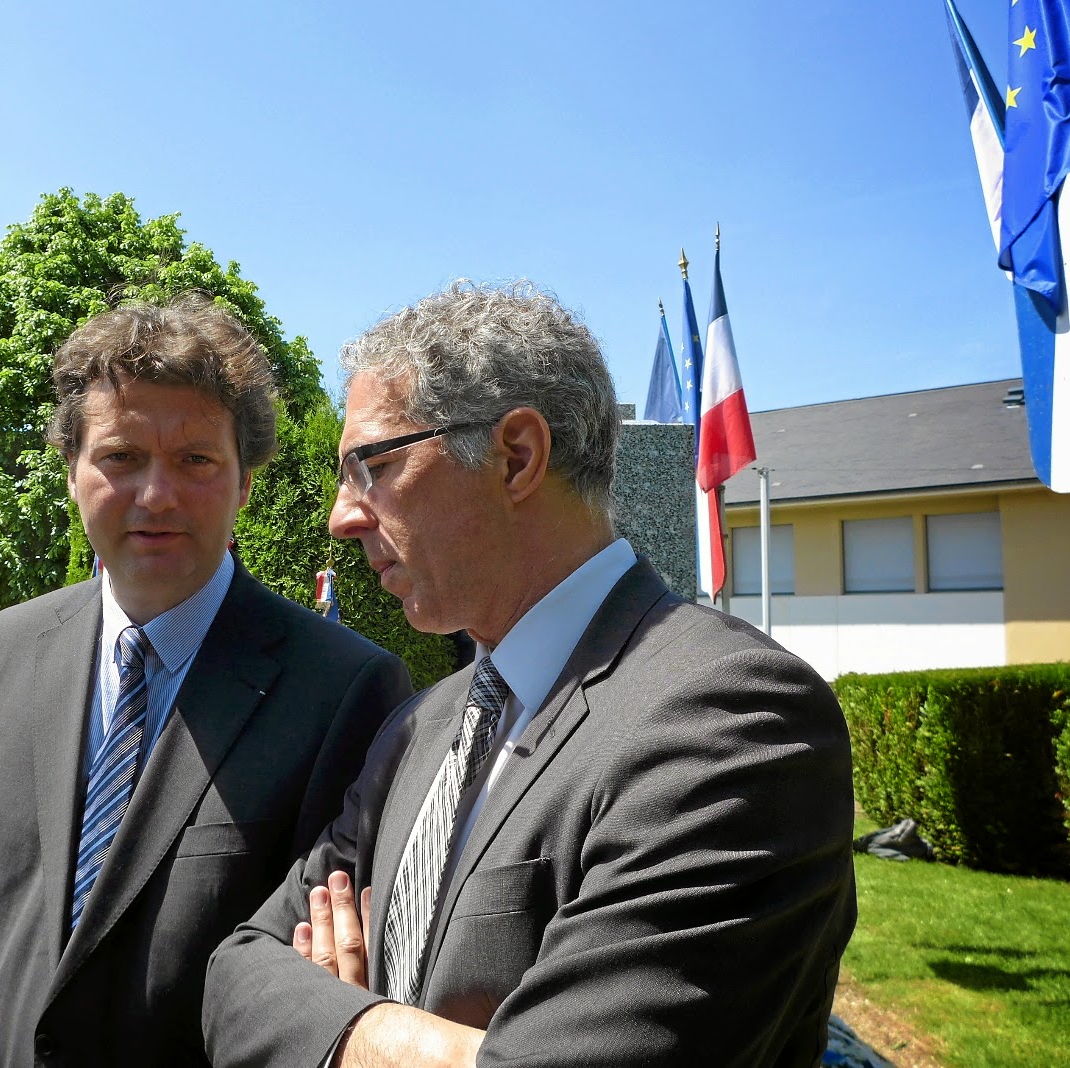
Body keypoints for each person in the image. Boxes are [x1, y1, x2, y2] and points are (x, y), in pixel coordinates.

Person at [202, 282, 857, 1067]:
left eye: (370, 466)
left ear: (516, 456)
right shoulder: (419, 728)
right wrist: (425, 1046)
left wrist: (337, 1026)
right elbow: (235, 974)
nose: (342, 516)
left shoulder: (734, 722)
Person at [0, 294, 414, 1068]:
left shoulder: (348, 692)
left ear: (245, 483)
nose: (156, 495)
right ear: (71, 471)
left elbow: (322, 985)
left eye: (196, 461)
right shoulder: (6, 649)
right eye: (121, 457)